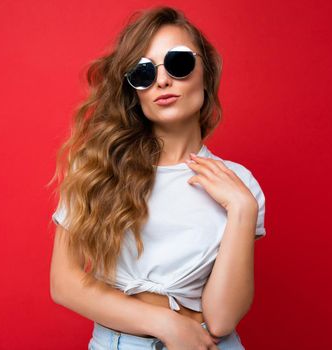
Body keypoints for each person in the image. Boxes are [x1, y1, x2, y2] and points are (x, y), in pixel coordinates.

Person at [48, 6, 266, 350]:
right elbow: (64, 283)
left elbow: (223, 319)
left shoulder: (239, 184)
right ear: (135, 90)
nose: (162, 81)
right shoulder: (98, 167)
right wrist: (165, 323)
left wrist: (242, 209)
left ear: (205, 75)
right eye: (144, 72)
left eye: (178, 64)